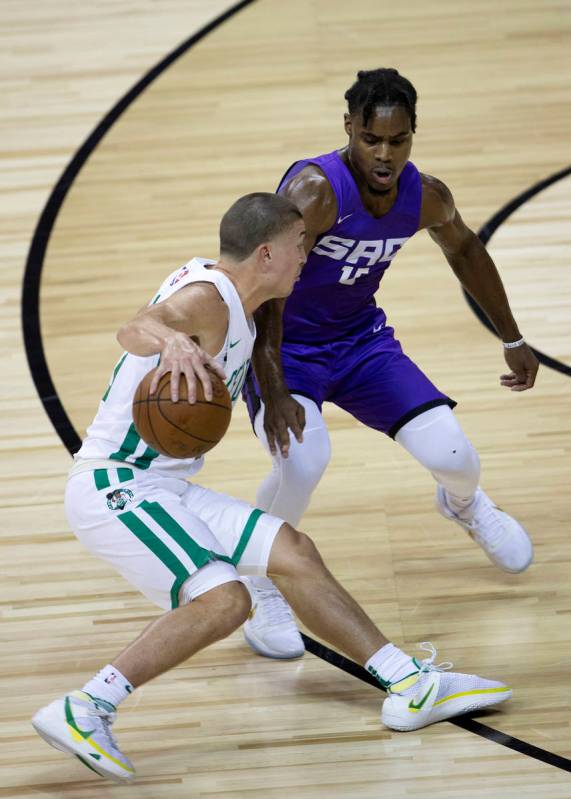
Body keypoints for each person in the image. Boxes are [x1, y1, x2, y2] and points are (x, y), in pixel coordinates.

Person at [32, 193, 512, 783]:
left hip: (168, 485)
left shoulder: (249, 305)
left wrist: (275, 392)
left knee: (294, 553)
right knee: (226, 600)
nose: (307, 256)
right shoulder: (206, 298)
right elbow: (137, 325)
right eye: (299, 247)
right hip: (116, 485)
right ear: (265, 254)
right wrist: (172, 340)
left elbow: (253, 343)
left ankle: (410, 685)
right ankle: (85, 707)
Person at [242, 68, 539, 660]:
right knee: (303, 460)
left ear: (412, 135)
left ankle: (463, 505)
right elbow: (264, 286)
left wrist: (512, 337)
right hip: (285, 346)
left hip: (358, 342)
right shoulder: (314, 193)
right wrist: (271, 384)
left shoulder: (425, 194)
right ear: (348, 127)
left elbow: (465, 249)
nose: (384, 153)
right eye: (371, 139)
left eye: (398, 140)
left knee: (453, 455)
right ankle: (256, 580)